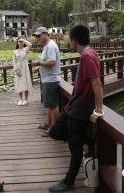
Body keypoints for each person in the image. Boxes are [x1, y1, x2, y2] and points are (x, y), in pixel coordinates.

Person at [48, 25, 104, 192]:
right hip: (74, 107)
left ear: (74, 40)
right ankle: (88, 141)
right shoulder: (90, 53)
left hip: (80, 110)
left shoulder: (87, 56)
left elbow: (96, 83)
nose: (68, 42)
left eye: (69, 39)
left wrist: (99, 110)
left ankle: (69, 182)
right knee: (55, 131)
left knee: (75, 148)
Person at [33, 27, 61, 137]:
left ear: (45, 34)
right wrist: (39, 67)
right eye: (36, 36)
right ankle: (48, 124)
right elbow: (46, 61)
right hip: (47, 79)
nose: (37, 38)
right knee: (49, 104)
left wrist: (39, 63)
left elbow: (52, 62)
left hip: (51, 80)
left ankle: (53, 129)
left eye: (39, 36)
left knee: (53, 105)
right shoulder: (47, 46)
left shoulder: (50, 46)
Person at [13, 38, 33, 105]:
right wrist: (16, 70)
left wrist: (23, 40)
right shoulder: (15, 51)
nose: (21, 43)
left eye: (22, 42)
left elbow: (30, 45)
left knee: (25, 83)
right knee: (19, 83)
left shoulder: (25, 49)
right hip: (18, 68)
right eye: (19, 42)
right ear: (17, 43)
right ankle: (20, 99)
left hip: (25, 68)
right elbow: (14, 62)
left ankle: (26, 99)